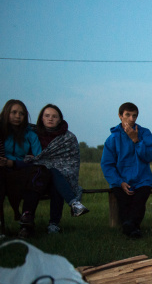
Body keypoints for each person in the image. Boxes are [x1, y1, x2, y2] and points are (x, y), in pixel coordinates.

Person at [29, 104, 89, 234]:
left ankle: (53, 225)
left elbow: (72, 162)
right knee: (50, 171)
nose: (50, 119)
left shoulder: (68, 138)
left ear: (60, 119)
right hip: (36, 176)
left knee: (55, 179)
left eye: (54, 116)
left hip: (60, 179)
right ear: (41, 118)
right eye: (47, 116)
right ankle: (74, 204)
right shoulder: (32, 134)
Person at [100, 102, 152, 238]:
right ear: (120, 116)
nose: (131, 119)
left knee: (139, 201)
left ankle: (129, 226)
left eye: (134, 116)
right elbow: (107, 164)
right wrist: (119, 182)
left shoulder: (145, 133)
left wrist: (136, 140)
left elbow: (150, 156)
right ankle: (132, 228)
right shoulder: (113, 138)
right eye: (128, 115)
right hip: (120, 180)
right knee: (124, 202)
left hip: (142, 179)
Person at [0, 100, 50, 238]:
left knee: (39, 172)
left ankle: (26, 221)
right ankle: (1, 226)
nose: (18, 116)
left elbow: (39, 159)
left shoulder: (30, 134)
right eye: (14, 112)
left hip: (23, 169)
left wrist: (14, 163)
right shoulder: (2, 133)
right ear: (6, 113)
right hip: (3, 171)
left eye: (22, 114)